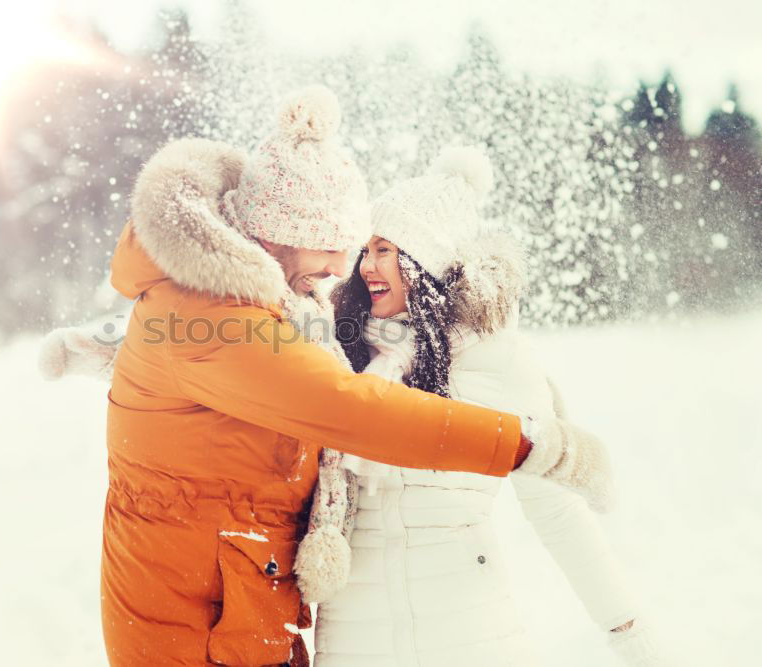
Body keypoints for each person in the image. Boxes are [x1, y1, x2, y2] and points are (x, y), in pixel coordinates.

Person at [38, 88, 611, 666]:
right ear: (277, 232)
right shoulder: (219, 315)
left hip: (227, 605)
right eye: (334, 245)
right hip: (196, 627)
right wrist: (531, 445)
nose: (345, 268)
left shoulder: (240, 300)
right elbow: (351, 410)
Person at [297, 146, 663, 666]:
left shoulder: (497, 361)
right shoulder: (337, 352)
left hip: (470, 633)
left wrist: (628, 630)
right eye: (365, 250)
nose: (366, 266)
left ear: (426, 263)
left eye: (385, 250)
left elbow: (555, 508)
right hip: (356, 636)